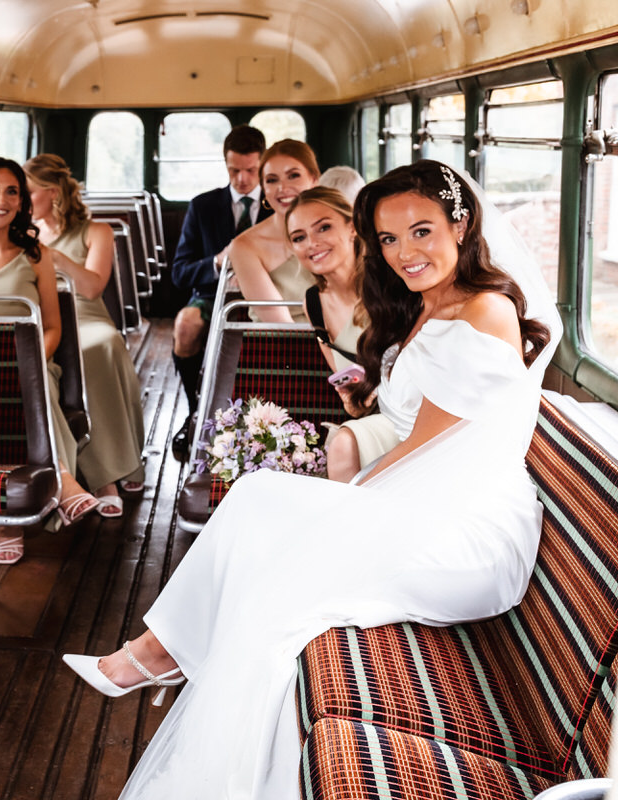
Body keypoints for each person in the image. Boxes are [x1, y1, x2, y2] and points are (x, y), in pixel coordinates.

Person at [63, 160, 561, 798]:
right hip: (427, 504)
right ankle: (160, 657)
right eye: (387, 239)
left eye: (421, 231)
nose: (405, 252)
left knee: (272, 543)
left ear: (460, 225)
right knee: (260, 507)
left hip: (466, 531)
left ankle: (157, 658)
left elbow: (419, 449)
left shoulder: (485, 310)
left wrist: (339, 509)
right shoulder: (424, 303)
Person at [0, 156, 100, 565]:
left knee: (33, 385)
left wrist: (19, 367)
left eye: (12, 191)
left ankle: (13, 520)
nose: (1, 199)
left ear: (22, 202)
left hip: (34, 366)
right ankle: (63, 483)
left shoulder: (36, 255)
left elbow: (53, 330)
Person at [24, 153, 146, 514]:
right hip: (43, 318)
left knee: (96, 348)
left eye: (28, 192)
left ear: (54, 193)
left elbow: (93, 287)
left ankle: (113, 468)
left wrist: (52, 257)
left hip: (86, 317)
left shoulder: (97, 232)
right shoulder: (20, 235)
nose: (20, 201)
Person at [285, 186, 400, 481]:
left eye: (323, 227)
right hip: (371, 421)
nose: (312, 243)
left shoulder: (392, 285)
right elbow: (351, 402)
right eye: (299, 237)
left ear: (351, 227)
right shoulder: (313, 303)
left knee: (344, 445)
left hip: (415, 416)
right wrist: (353, 401)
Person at [170, 124, 269, 461]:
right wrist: (215, 263)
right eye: (233, 170)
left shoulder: (279, 205)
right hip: (214, 294)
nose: (242, 179)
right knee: (186, 325)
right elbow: (180, 273)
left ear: (262, 165)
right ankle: (196, 409)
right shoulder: (203, 206)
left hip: (265, 294)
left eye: (251, 170)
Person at [228, 138, 320, 325]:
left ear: (314, 178)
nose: (283, 188)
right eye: (272, 180)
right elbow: (281, 324)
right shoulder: (244, 246)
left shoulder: (343, 228)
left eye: (293, 176)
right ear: (263, 187)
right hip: (282, 344)